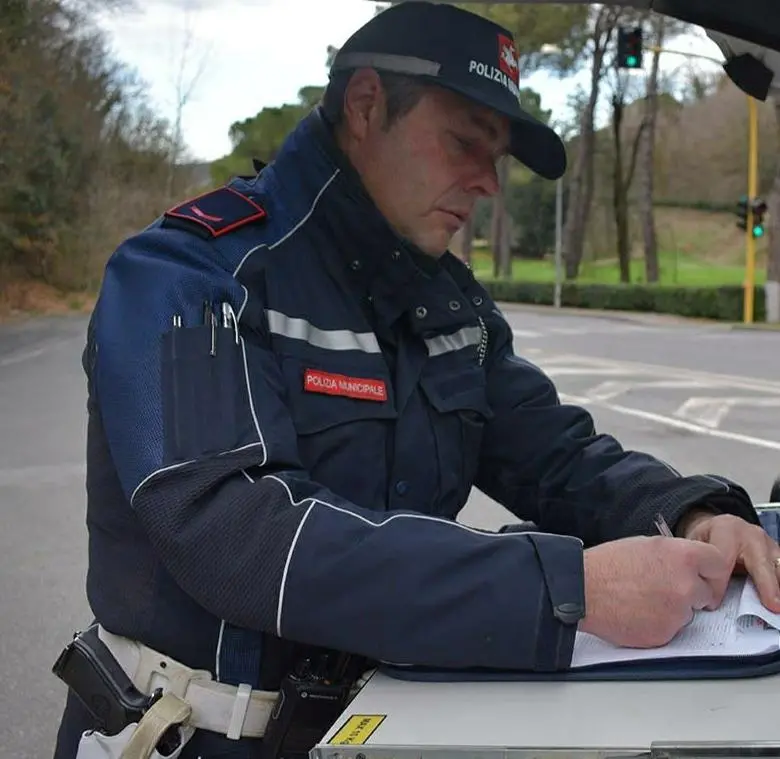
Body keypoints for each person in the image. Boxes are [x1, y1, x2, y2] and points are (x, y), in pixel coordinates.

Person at [53, 2, 780, 758]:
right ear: (367, 107)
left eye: (495, 156)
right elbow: (234, 534)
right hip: (194, 736)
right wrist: (569, 589)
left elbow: (558, 457)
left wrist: (691, 511)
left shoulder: (446, 304)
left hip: (384, 728)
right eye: (467, 142)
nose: (489, 183)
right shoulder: (193, 274)